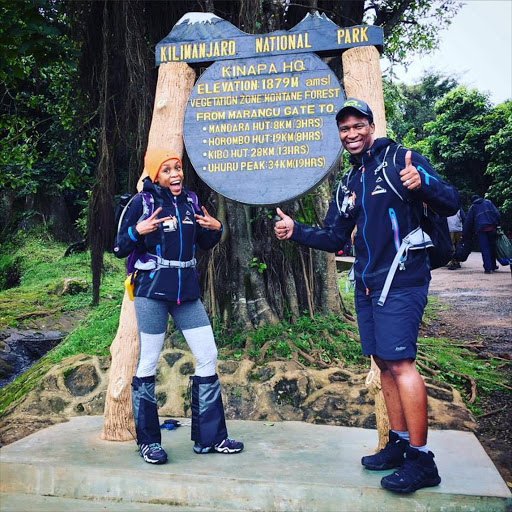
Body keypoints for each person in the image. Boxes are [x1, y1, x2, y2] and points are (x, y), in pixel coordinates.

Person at [274, 98, 460, 493]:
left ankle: (422, 460)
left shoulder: (402, 159)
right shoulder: (349, 181)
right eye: (344, 129)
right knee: (382, 362)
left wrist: (422, 184)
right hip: (367, 283)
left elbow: (452, 200)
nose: (352, 133)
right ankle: (397, 443)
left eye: (358, 125)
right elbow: (335, 236)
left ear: (371, 126)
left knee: (402, 364)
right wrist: (296, 230)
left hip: (403, 279)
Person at [114, 148, 243, 464]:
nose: (176, 174)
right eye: (168, 170)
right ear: (155, 174)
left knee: (207, 354)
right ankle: (148, 443)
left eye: (178, 168)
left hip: (186, 291)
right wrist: (137, 231)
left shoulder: (190, 202)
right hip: (151, 290)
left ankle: (210, 439)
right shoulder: (141, 203)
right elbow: (119, 246)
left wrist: (216, 229)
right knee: (148, 362)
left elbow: (204, 242)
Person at [463, 195, 501, 273]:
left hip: (481, 230)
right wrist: (497, 224)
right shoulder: (488, 202)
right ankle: (493, 265)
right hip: (491, 228)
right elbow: (497, 214)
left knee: (485, 249)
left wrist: (465, 233)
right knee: (492, 247)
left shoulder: (473, 207)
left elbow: (468, 221)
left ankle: (487, 268)